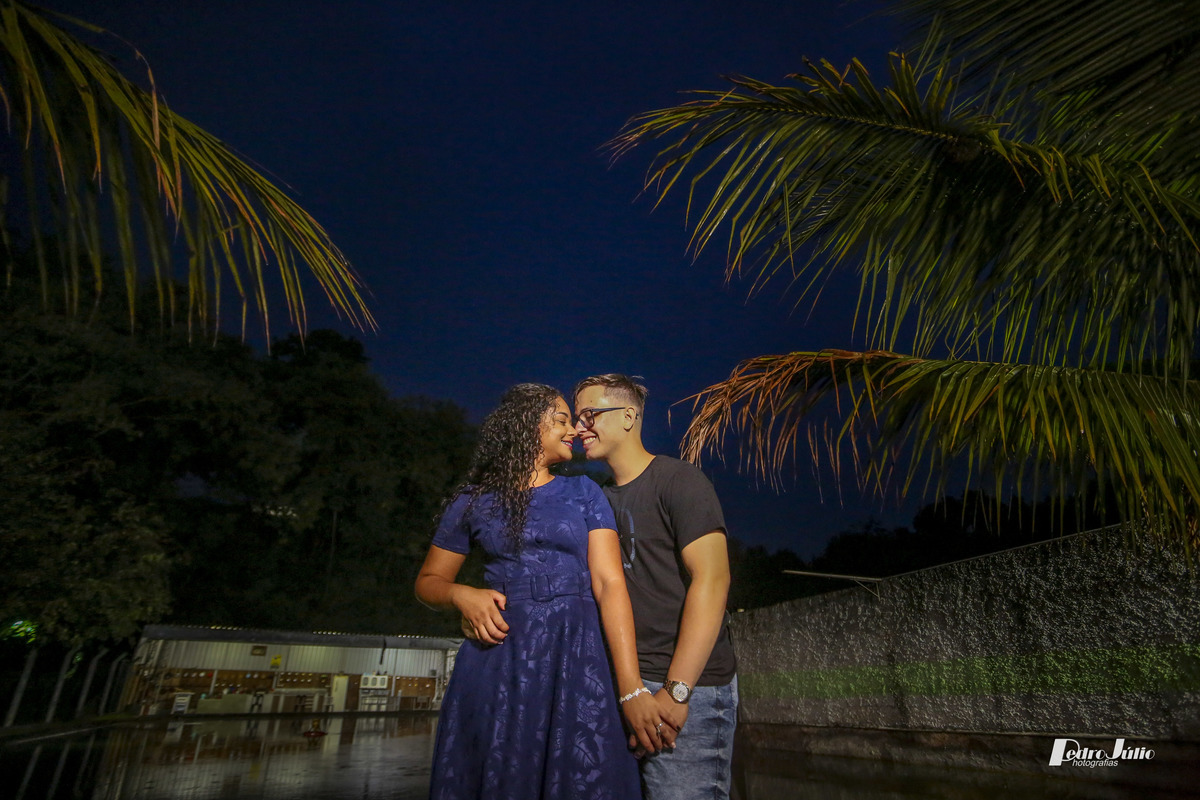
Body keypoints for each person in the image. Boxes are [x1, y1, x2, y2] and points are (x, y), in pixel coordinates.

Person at [415, 383, 666, 800]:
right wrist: (462, 595)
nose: (574, 430)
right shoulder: (472, 501)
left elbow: (609, 584)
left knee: (588, 776)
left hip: (578, 655)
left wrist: (632, 688)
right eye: (562, 420)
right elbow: (428, 582)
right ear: (527, 425)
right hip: (500, 659)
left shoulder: (584, 492)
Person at [573, 374, 738, 800]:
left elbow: (713, 579)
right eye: (576, 418)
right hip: (625, 688)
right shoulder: (599, 500)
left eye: (589, 415)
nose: (578, 427)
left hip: (688, 689)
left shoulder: (679, 480)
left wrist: (676, 692)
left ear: (628, 416)